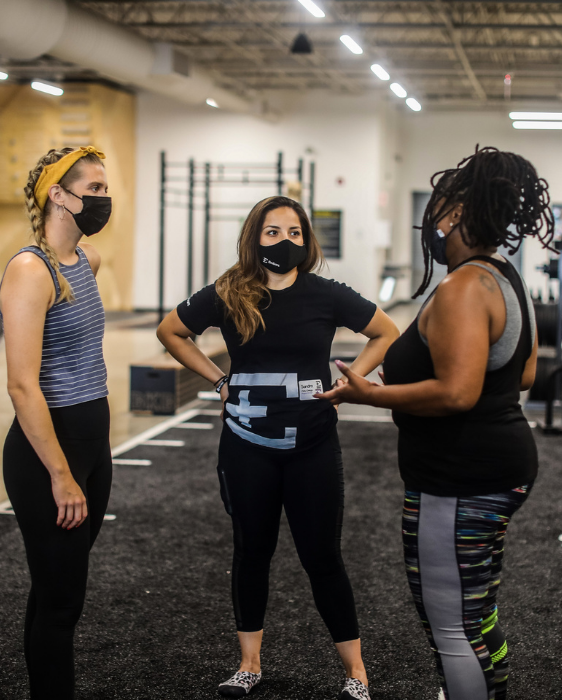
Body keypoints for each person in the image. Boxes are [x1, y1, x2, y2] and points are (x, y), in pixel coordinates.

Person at [317, 146, 554, 700]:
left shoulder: (462, 288)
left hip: (459, 479)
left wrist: (368, 394)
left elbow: (457, 393)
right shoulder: (505, 278)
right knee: (476, 612)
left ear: (454, 215)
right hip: (498, 467)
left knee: (451, 626)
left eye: (438, 206)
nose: (431, 218)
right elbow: (522, 375)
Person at [157, 195, 399, 700]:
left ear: (306, 241)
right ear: (254, 238)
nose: (284, 242)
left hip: (312, 444)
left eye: (294, 233)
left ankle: (356, 674)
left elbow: (386, 332)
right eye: (272, 232)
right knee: (251, 552)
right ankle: (249, 665)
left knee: (323, 557)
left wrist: (352, 384)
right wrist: (219, 381)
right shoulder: (229, 291)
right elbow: (171, 331)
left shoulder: (326, 294)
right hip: (246, 447)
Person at [0, 146, 113, 699]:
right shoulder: (29, 270)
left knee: (53, 591)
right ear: (57, 196)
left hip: (93, 445)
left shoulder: (85, 263)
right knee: (64, 602)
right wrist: (61, 474)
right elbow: (22, 385)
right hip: (50, 454)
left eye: (104, 188)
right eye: (93, 189)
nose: (104, 199)